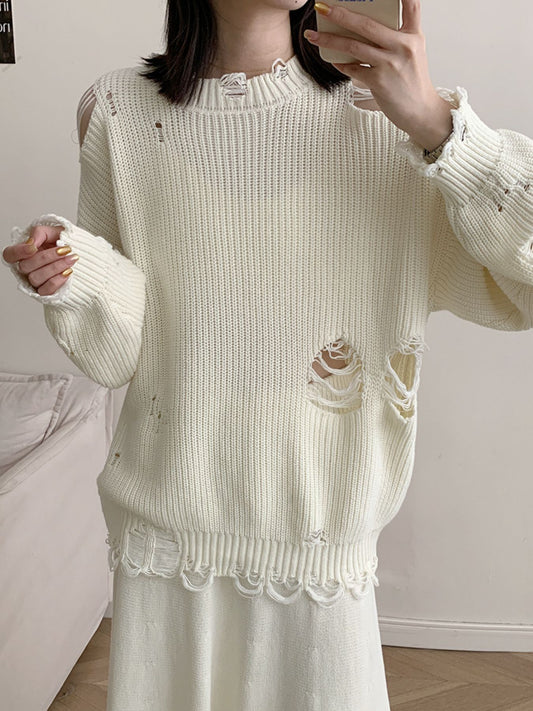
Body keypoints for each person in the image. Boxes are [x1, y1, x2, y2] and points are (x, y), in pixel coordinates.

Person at [3, 0, 533, 709]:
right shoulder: (117, 113)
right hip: (165, 545)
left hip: (321, 547)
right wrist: (77, 273)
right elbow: (120, 354)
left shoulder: (387, 116)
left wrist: (441, 127)